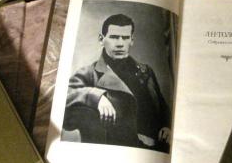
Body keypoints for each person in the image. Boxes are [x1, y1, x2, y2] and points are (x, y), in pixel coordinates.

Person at [62, 13, 171, 152]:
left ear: (132, 40)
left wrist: (167, 127)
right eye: (114, 37)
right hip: (111, 151)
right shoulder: (90, 73)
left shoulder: (145, 72)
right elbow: (65, 95)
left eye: (125, 38)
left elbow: (161, 108)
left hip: (152, 150)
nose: (120, 44)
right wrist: (97, 97)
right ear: (101, 39)